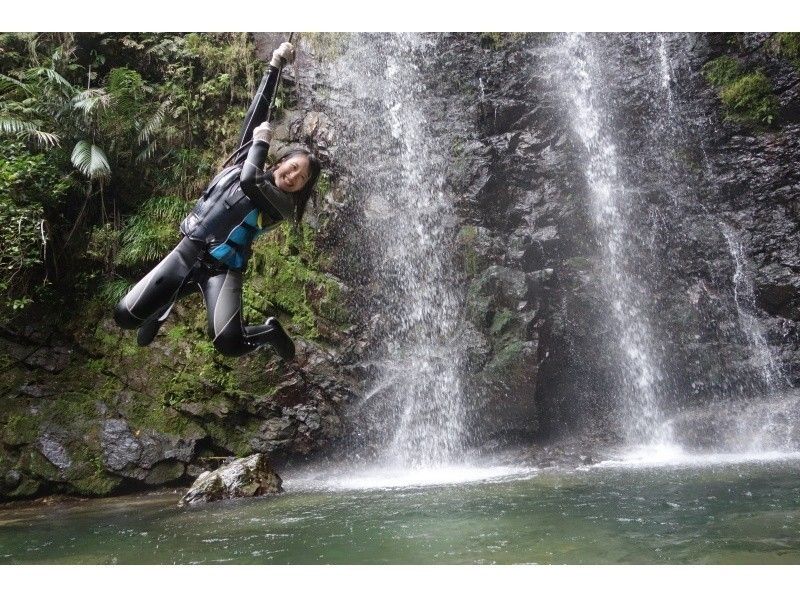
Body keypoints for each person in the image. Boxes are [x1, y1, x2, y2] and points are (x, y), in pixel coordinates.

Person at [113, 41, 321, 360]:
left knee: (229, 343)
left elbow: (250, 181)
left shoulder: (280, 206)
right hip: (189, 250)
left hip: (223, 269)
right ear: (281, 162)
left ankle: (269, 331)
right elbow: (257, 113)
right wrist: (276, 64)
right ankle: (162, 307)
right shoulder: (243, 158)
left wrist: (261, 144)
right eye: (293, 167)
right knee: (123, 316)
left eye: (301, 179)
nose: (293, 177)